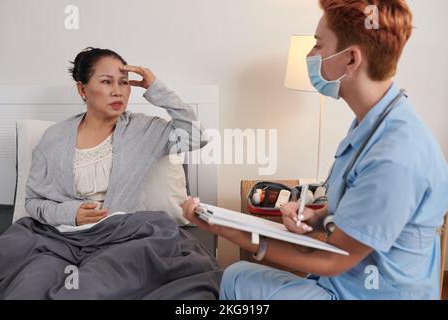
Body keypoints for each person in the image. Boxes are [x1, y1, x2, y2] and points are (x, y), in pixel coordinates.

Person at [182, 0, 448, 299]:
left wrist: (230, 231)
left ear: (351, 59)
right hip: (346, 283)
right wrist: (317, 216)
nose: (310, 55)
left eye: (318, 46)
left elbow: (332, 261)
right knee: (236, 275)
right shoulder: (373, 124)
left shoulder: (395, 156)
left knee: (235, 279)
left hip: (368, 293)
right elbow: (360, 209)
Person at [25, 47, 207, 227]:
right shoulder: (54, 137)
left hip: (124, 235)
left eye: (124, 82)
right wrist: (69, 214)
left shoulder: (145, 130)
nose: (117, 91)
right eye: (106, 82)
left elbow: (196, 136)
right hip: (63, 237)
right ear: (82, 89)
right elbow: (33, 201)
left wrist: (156, 88)